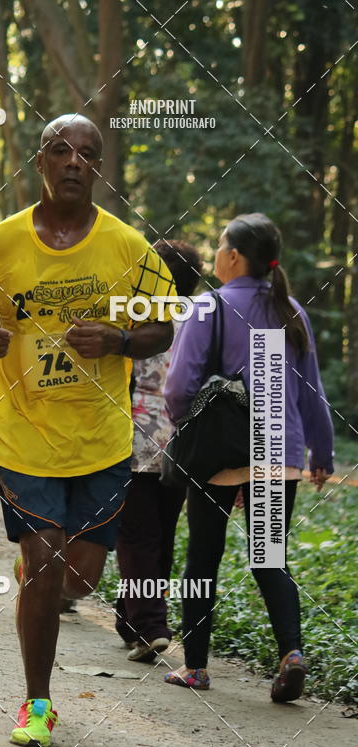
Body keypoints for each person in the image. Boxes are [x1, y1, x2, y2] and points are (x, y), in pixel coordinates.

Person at [0, 114, 174, 747]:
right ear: (40, 161)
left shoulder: (131, 249)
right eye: (61, 150)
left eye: (88, 154)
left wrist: (120, 338)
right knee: (45, 562)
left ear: (100, 169)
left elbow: (165, 327)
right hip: (24, 433)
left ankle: (38, 590)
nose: (75, 161)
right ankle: (37, 703)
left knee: (80, 577)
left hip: (101, 438)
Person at [162, 212, 334, 702]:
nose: (216, 253)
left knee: (203, 558)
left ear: (234, 256)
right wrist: (321, 453)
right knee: (269, 558)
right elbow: (311, 392)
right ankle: (293, 653)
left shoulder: (208, 307)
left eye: (219, 245)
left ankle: (195, 667)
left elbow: (178, 385)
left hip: (220, 452)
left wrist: (186, 424)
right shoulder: (291, 310)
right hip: (280, 450)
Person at [115, 240, 202, 661]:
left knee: (136, 534)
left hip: (136, 435)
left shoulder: (141, 314)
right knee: (161, 533)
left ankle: (150, 625)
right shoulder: (203, 317)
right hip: (185, 440)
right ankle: (128, 618)